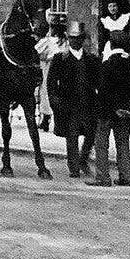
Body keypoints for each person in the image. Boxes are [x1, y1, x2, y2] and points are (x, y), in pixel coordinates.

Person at [87, 30, 130, 187]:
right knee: (123, 144)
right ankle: (126, 176)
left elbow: (104, 91)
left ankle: (103, 176)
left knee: (101, 144)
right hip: (126, 113)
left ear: (111, 45)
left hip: (107, 112)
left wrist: (114, 109)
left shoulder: (106, 65)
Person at [47, 21, 101, 178]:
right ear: (67, 39)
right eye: (72, 38)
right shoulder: (60, 59)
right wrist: (54, 100)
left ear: (83, 39)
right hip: (68, 105)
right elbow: (51, 83)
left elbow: (99, 81)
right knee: (72, 136)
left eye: (78, 38)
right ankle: (73, 167)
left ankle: (83, 159)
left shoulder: (91, 59)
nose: (75, 41)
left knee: (91, 135)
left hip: (88, 103)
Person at [35, 21, 67, 133]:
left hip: (50, 68)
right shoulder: (65, 42)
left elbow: (36, 51)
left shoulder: (48, 41)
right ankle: (52, 121)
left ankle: (46, 120)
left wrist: (44, 57)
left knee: (46, 92)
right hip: (61, 69)